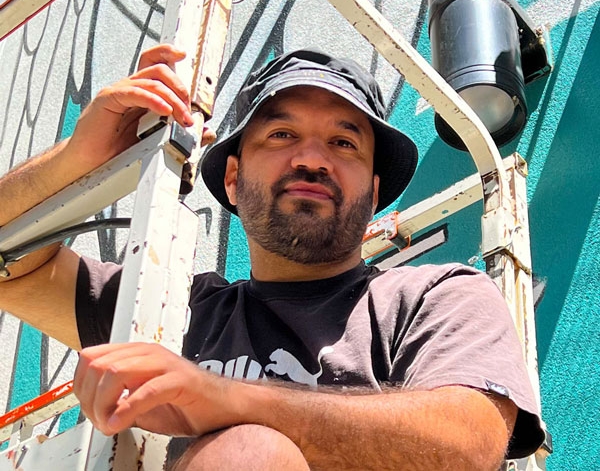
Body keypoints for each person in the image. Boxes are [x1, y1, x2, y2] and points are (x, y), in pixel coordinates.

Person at [0, 44, 544, 470]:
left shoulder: (434, 297)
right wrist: (79, 161)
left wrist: (221, 398)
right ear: (232, 180)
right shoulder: (173, 311)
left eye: (344, 143)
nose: (311, 159)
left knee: (249, 455)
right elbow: (14, 268)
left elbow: (468, 446)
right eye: (282, 135)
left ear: (374, 194)